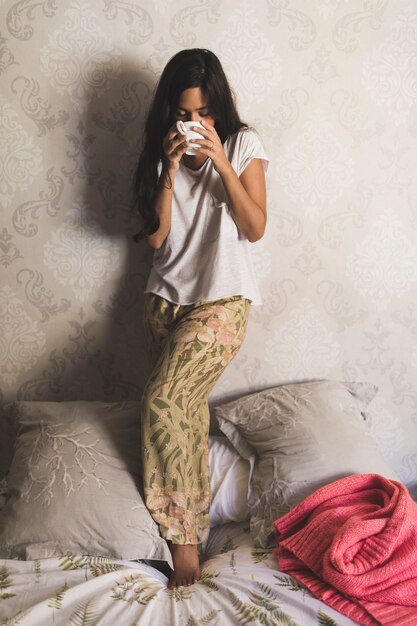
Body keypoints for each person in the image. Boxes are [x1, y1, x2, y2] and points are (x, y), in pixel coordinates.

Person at [133, 48, 268, 589]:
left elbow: (255, 227)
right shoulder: (156, 155)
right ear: (171, 113)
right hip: (165, 300)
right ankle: (196, 531)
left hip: (224, 300)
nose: (196, 124)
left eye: (205, 113)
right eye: (186, 114)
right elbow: (157, 239)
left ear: (219, 109)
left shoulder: (242, 144)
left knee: (163, 400)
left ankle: (184, 551)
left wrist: (220, 163)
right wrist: (168, 168)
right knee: (184, 415)